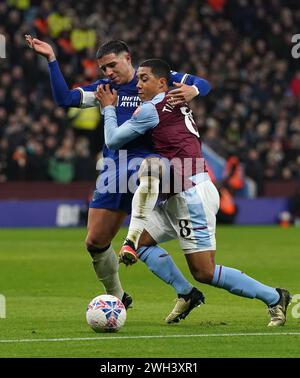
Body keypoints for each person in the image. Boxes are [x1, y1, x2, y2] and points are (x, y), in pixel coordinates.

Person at [25, 36, 210, 318]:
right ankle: (121, 297)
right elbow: (64, 98)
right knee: (95, 242)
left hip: (148, 164)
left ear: (128, 58)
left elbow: (204, 84)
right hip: (113, 169)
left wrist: (194, 91)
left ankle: (132, 241)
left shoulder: (156, 78)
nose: (108, 72)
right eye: (103, 69)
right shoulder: (105, 89)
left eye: (112, 65)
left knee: (145, 227)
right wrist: (51, 59)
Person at [97, 58, 291, 326]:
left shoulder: (151, 110)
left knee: (204, 271)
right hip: (181, 190)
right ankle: (185, 293)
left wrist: (108, 109)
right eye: (138, 78)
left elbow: (112, 140)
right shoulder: (175, 101)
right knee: (142, 244)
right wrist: (196, 88)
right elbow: (201, 84)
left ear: (162, 83)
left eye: (144, 79)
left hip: (191, 194)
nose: (138, 84)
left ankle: (275, 296)